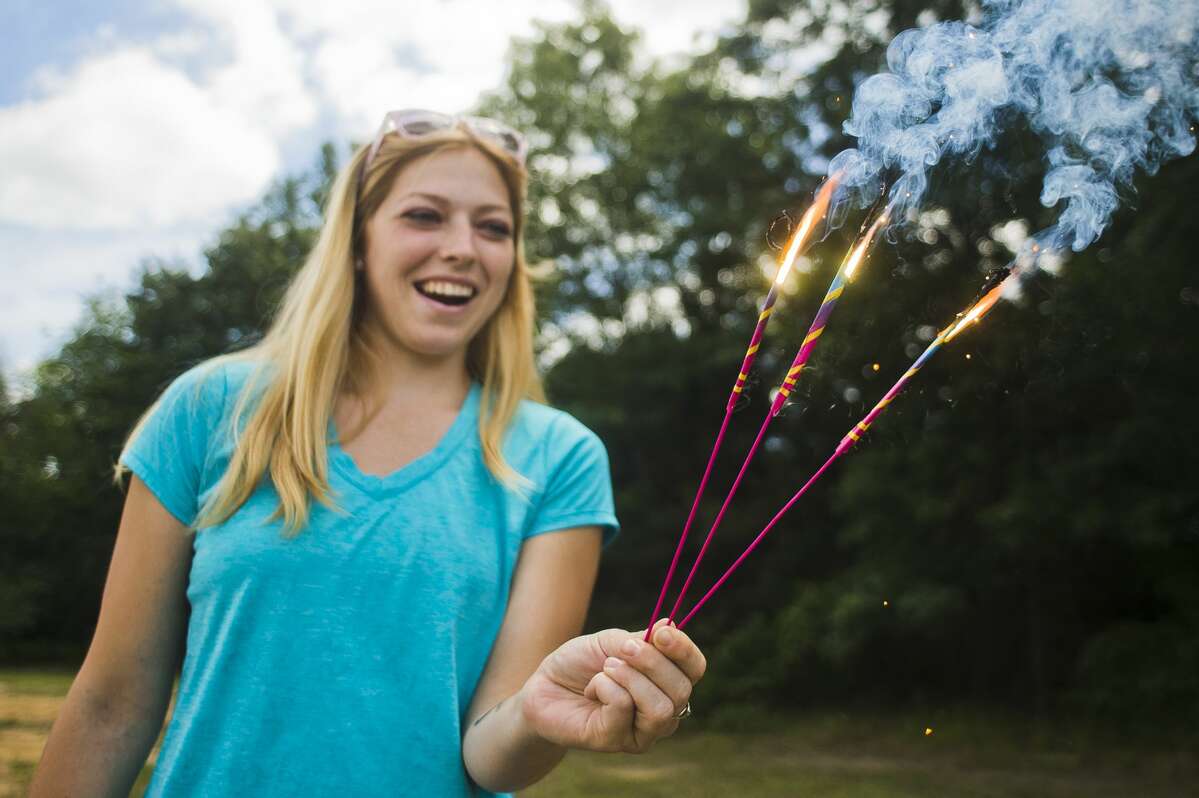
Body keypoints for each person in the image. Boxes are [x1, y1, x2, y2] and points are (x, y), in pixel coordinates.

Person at [30, 109, 706, 797]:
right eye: (424, 216)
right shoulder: (209, 410)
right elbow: (111, 704)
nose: (463, 247)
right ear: (358, 240)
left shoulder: (560, 458)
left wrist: (540, 710)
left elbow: (490, 753)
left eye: (493, 227)